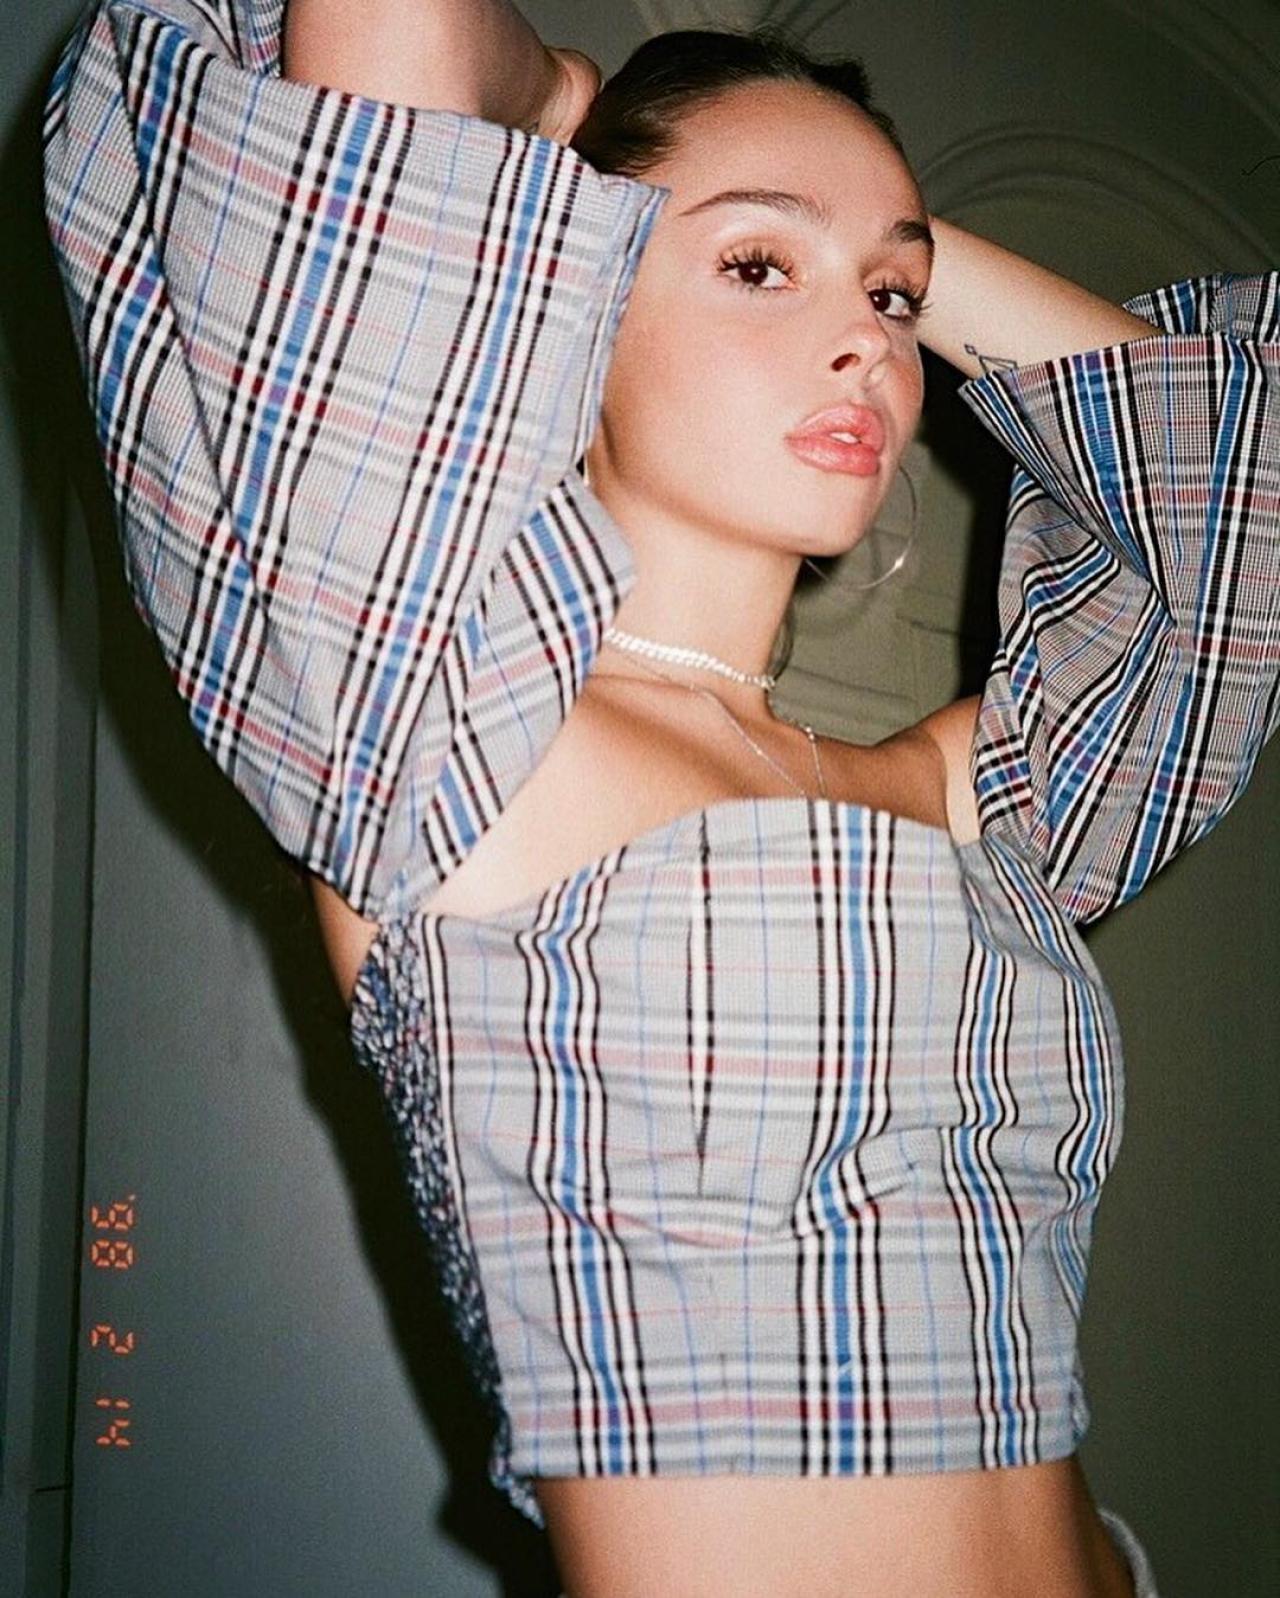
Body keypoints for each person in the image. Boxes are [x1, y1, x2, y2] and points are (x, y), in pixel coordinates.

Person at [43, 2, 1276, 1595]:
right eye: (754, 267)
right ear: (578, 287)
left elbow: (1234, 514)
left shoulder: (950, 797)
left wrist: (866, 227)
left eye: (895, 303)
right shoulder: (449, 721)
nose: (872, 346)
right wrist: (571, 107)